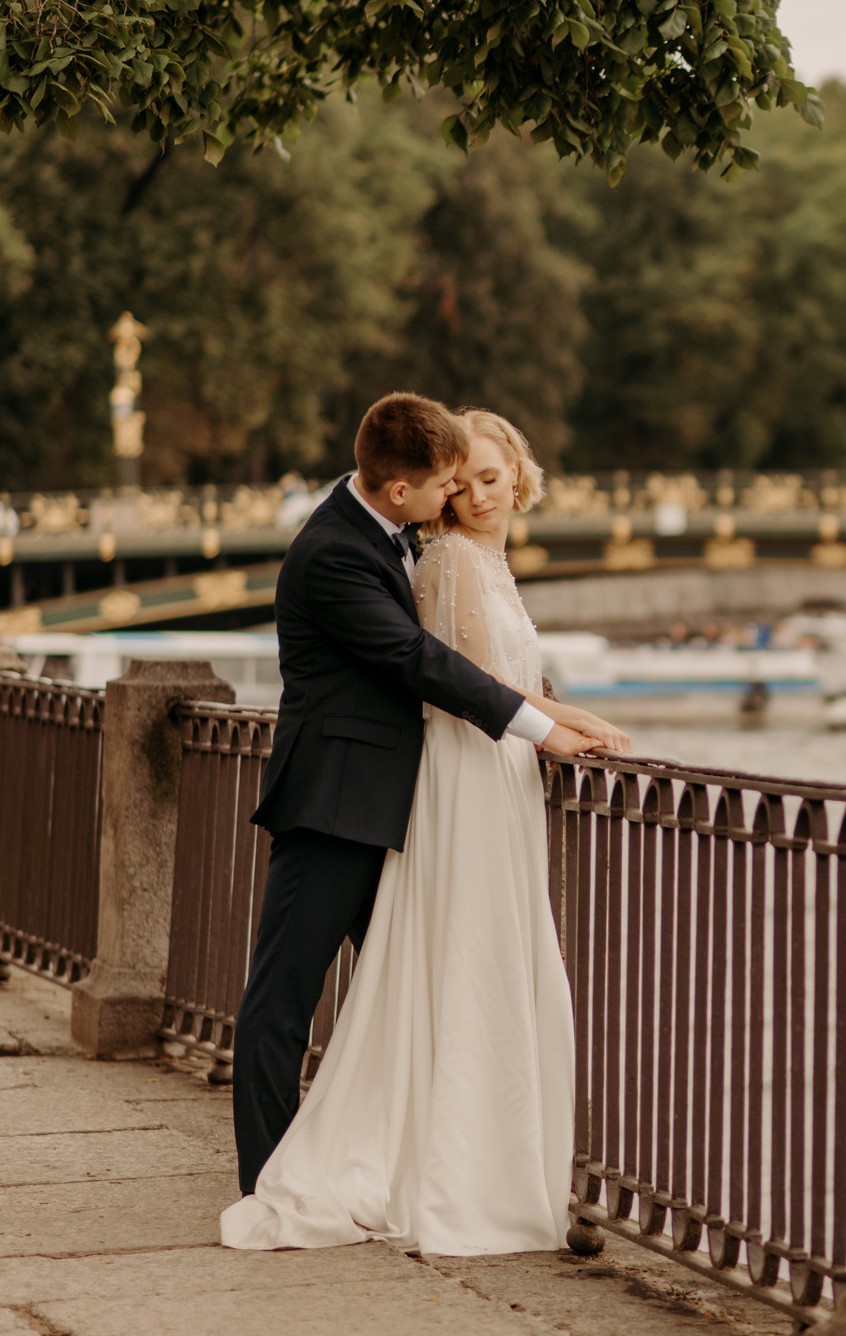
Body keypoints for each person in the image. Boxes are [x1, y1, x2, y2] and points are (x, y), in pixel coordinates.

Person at [224, 397, 627, 1254]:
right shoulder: (335, 552)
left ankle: (429, 1163)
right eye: (447, 481)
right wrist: (538, 726)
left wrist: (556, 716)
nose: (458, 495)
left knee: (410, 999)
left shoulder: (386, 534)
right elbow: (420, 661)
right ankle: (271, 1181)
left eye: (476, 477)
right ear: (401, 486)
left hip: (401, 802)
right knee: (282, 997)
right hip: (339, 803)